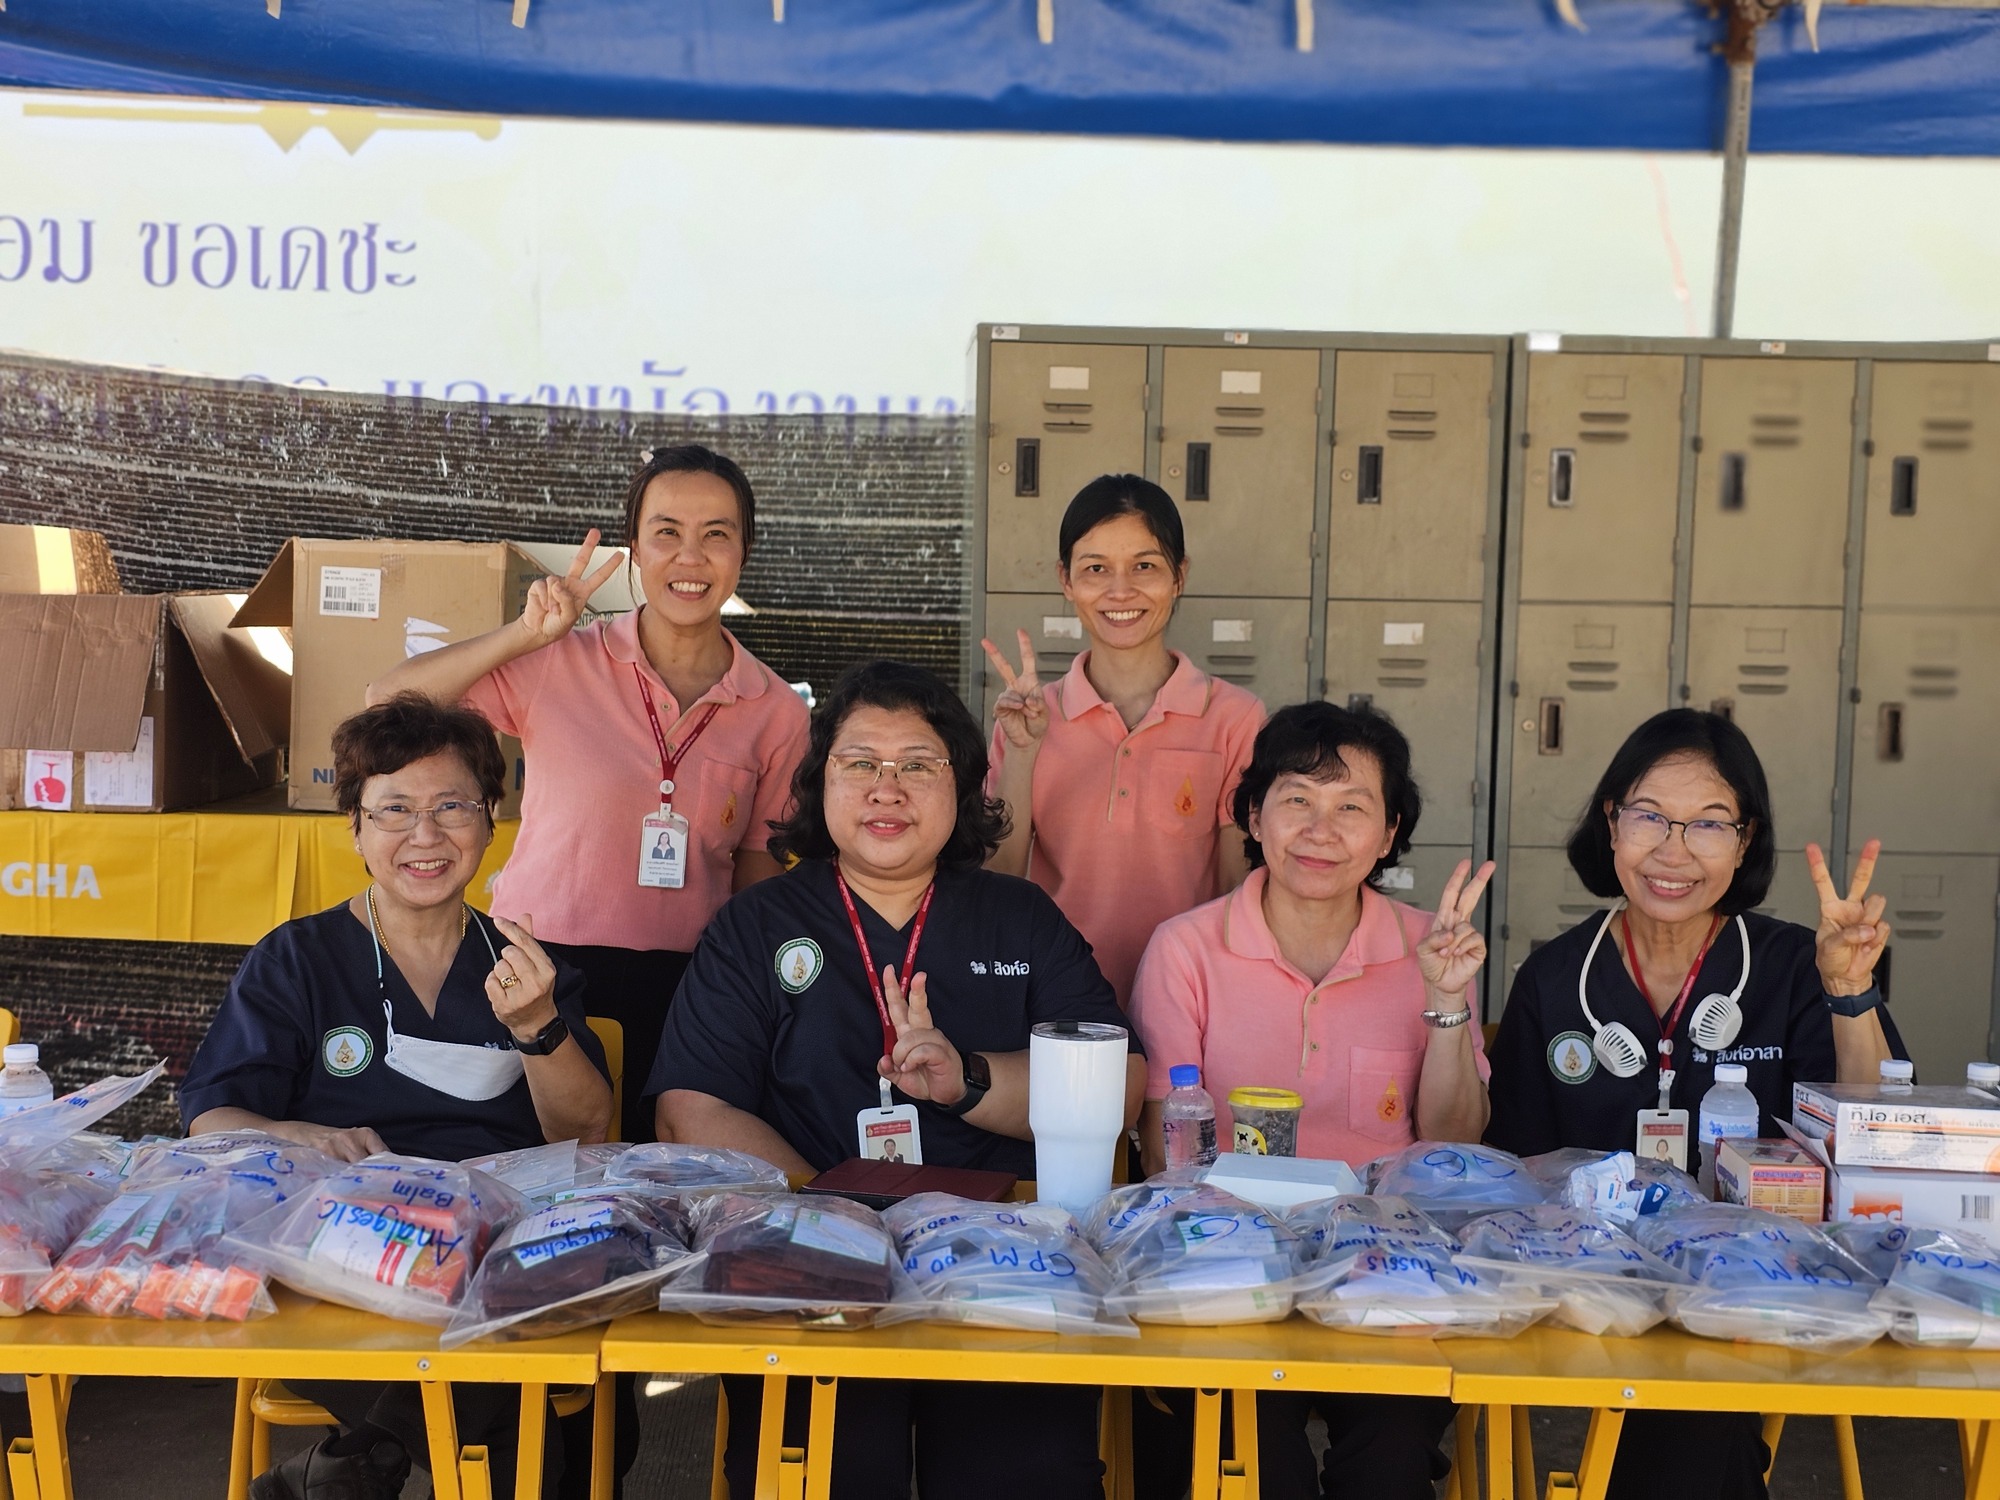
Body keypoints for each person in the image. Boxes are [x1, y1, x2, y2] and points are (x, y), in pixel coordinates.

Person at [652, 659, 1143, 1500]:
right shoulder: (757, 924)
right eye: (860, 763)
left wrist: (971, 1082)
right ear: (819, 783)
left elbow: (1121, 1083)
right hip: (813, 1261)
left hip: (1002, 1263)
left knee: (1027, 1472)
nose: (888, 787)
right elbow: (690, 1108)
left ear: (961, 792)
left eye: (918, 764)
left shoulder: (1019, 916)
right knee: (827, 1469)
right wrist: (829, 1222)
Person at [181, 695, 612, 1500]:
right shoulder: (298, 960)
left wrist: (538, 1027)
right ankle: (381, 1458)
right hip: (345, 1249)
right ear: (355, 827)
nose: (425, 835)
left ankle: (361, 1463)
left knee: (514, 1341)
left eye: (452, 806)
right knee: (515, 1400)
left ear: (490, 820)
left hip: (500, 1244)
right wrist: (303, 1134)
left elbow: (585, 1129)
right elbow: (214, 1114)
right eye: (395, 810)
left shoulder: (524, 964)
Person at [1485, 708, 1907, 1500]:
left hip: (1749, 1290)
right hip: (1593, 1289)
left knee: (1700, 1418)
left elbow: (1874, 1130)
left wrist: (1849, 991)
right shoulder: (1553, 978)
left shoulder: (1792, 965)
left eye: (1710, 824)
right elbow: (1515, 1163)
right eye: (1649, 816)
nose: (1673, 851)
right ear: (1611, 823)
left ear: (1745, 843)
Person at [369, 442, 808, 1147]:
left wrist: (762, 998)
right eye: (666, 533)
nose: (689, 558)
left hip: (690, 985)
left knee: (650, 1173)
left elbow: (758, 872)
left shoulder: (777, 710)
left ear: (744, 552)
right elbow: (384, 700)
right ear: (635, 548)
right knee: (530, 1169)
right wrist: (523, 634)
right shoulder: (558, 660)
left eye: (715, 535)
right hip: (537, 966)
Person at [1128, 700, 1490, 1500]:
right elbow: (1165, 1151)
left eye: (1352, 808)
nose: (1321, 830)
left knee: (1393, 1455)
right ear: (1253, 816)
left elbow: (1453, 1141)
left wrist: (1445, 1000)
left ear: (1390, 833)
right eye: (1297, 800)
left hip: (1385, 1271)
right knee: (1251, 1456)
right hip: (1228, 1264)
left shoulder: (1431, 947)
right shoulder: (1186, 949)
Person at [982, 474, 1264, 1004]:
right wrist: (1023, 750)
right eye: (1095, 569)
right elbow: (998, 878)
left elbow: (1237, 893)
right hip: (1054, 997)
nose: (1120, 591)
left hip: (1187, 1000)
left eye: (1145, 566)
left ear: (1179, 576)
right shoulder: (1028, 719)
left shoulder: (1235, 718)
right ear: (1066, 580)